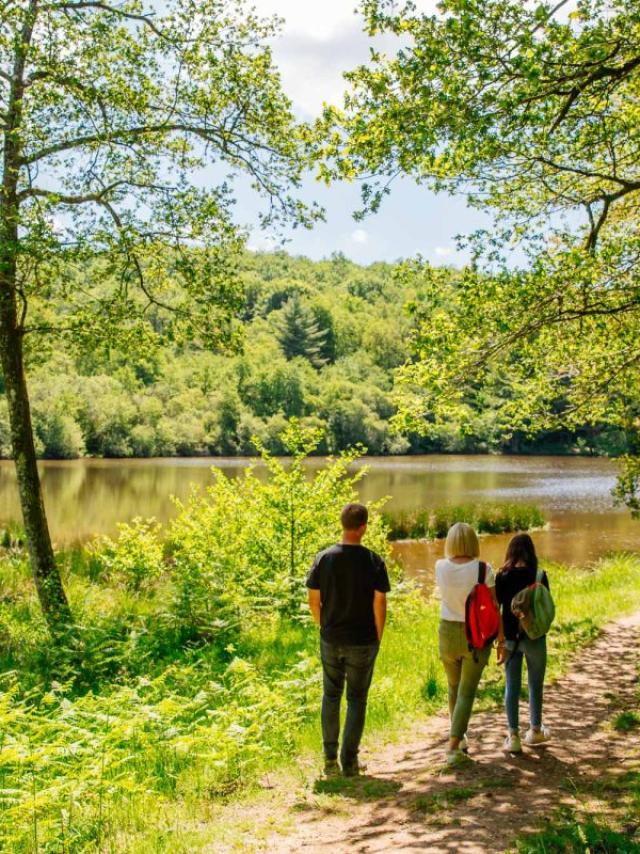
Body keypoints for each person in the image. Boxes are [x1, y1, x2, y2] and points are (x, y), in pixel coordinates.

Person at [306, 502, 390, 777]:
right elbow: (380, 604)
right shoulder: (374, 561)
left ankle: (330, 760)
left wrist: (325, 626)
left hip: (331, 637)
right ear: (363, 528)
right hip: (363, 640)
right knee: (356, 699)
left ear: (343, 524)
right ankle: (350, 762)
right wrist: (377, 637)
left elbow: (314, 600)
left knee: (331, 696)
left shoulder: (324, 558)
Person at [435, 522, 497, 767]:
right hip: (476, 634)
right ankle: (452, 746)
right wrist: (500, 639)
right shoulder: (483, 569)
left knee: (454, 686)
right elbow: (494, 606)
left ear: (450, 542)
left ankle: (458, 738)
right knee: (466, 691)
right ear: (473, 542)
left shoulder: (440, 567)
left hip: (447, 632)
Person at [495, 533, 550, 753]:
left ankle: (514, 736)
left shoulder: (502, 575)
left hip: (510, 639)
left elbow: (498, 611)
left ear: (511, 552)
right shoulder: (539, 575)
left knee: (512, 685)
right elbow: (545, 607)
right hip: (535, 637)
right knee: (535, 684)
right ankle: (535, 730)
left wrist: (499, 641)